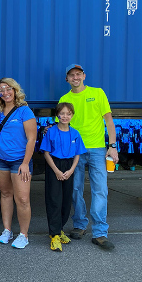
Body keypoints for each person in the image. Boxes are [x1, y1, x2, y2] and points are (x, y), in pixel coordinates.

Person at [59, 64, 119, 250]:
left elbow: (109, 120)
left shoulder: (98, 93)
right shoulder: (64, 99)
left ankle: (100, 232)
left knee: (100, 189)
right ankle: (80, 224)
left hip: (98, 149)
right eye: (71, 75)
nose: (75, 77)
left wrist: (112, 146)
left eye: (78, 74)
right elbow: (61, 127)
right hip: (75, 150)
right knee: (75, 189)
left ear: (84, 76)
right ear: (67, 79)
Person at [0, 78, 37, 249]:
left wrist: (25, 163)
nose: (5, 92)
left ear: (15, 90)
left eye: (8, 88)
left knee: (23, 199)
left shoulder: (24, 111)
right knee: (5, 194)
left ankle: (24, 235)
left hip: (19, 161)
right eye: (1, 90)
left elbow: (32, 139)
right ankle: (7, 230)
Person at [40, 102, 86, 252]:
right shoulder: (51, 132)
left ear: (72, 115)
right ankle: (53, 235)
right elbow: (46, 153)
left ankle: (59, 230)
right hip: (54, 165)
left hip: (69, 167)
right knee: (54, 200)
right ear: (57, 115)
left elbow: (78, 154)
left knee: (66, 200)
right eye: (62, 113)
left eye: (68, 113)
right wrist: (56, 171)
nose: (65, 116)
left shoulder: (75, 133)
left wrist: (71, 170)